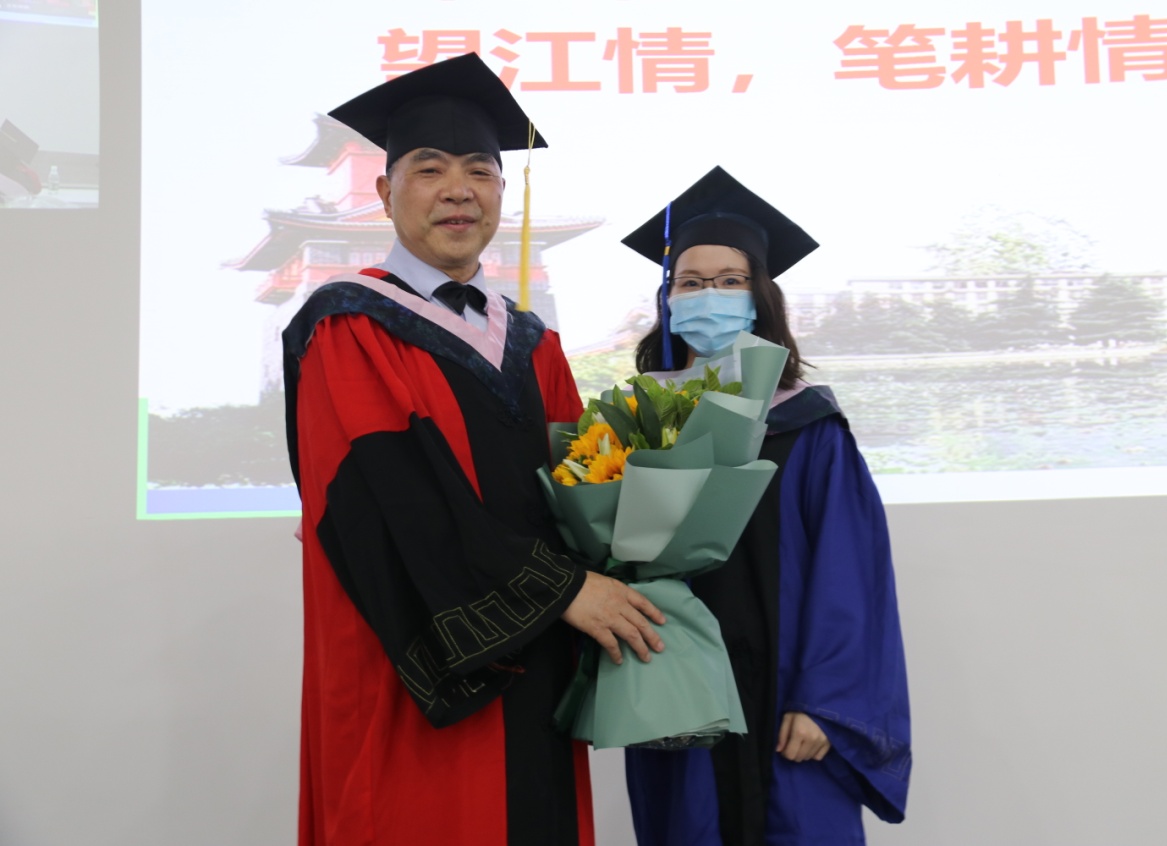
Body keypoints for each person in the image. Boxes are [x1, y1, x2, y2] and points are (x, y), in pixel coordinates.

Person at [281, 53, 665, 846]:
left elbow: (576, 490)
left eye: (480, 171)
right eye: (429, 169)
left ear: (500, 193)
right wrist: (562, 590)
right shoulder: (347, 325)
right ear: (385, 191)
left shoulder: (531, 341)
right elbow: (392, 501)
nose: (458, 189)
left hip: (540, 658)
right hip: (418, 662)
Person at [621, 167, 911, 845]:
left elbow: (849, 573)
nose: (710, 296)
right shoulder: (635, 420)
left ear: (760, 298)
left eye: (731, 280)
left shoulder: (806, 424)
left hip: (786, 701)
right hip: (679, 692)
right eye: (691, 282)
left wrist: (824, 702)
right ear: (668, 299)